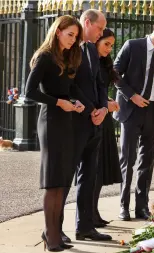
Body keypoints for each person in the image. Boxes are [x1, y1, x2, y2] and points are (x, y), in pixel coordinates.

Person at [25, 15, 88, 251]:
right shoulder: (44, 57)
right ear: (58, 31)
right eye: (70, 34)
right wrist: (58, 102)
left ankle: (53, 232)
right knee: (53, 181)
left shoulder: (66, 57)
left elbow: (68, 89)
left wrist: (75, 101)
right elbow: (30, 91)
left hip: (66, 121)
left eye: (76, 37)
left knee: (62, 180)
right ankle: (51, 236)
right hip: (50, 121)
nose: (73, 40)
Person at [113, 19, 154, 221]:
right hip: (131, 109)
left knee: (147, 161)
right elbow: (114, 73)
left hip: (153, 111)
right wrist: (131, 95)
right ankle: (123, 205)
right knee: (128, 159)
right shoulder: (132, 46)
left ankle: (141, 206)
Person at [60, 9, 112, 242]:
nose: (101, 33)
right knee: (64, 177)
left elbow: (99, 82)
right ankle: (54, 227)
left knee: (89, 176)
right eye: (99, 28)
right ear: (87, 22)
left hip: (96, 122)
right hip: (77, 121)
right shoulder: (71, 47)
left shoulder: (91, 48)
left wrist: (103, 108)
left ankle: (85, 227)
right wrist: (92, 109)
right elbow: (72, 85)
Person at [92, 28, 122, 228]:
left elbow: (100, 90)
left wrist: (107, 101)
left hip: (105, 118)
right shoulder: (89, 62)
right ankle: (87, 214)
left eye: (111, 45)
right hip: (94, 118)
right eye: (106, 44)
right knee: (92, 171)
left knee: (100, 170)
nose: (109, 49)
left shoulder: (103, 62)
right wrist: (104, 105)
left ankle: (93, 212)